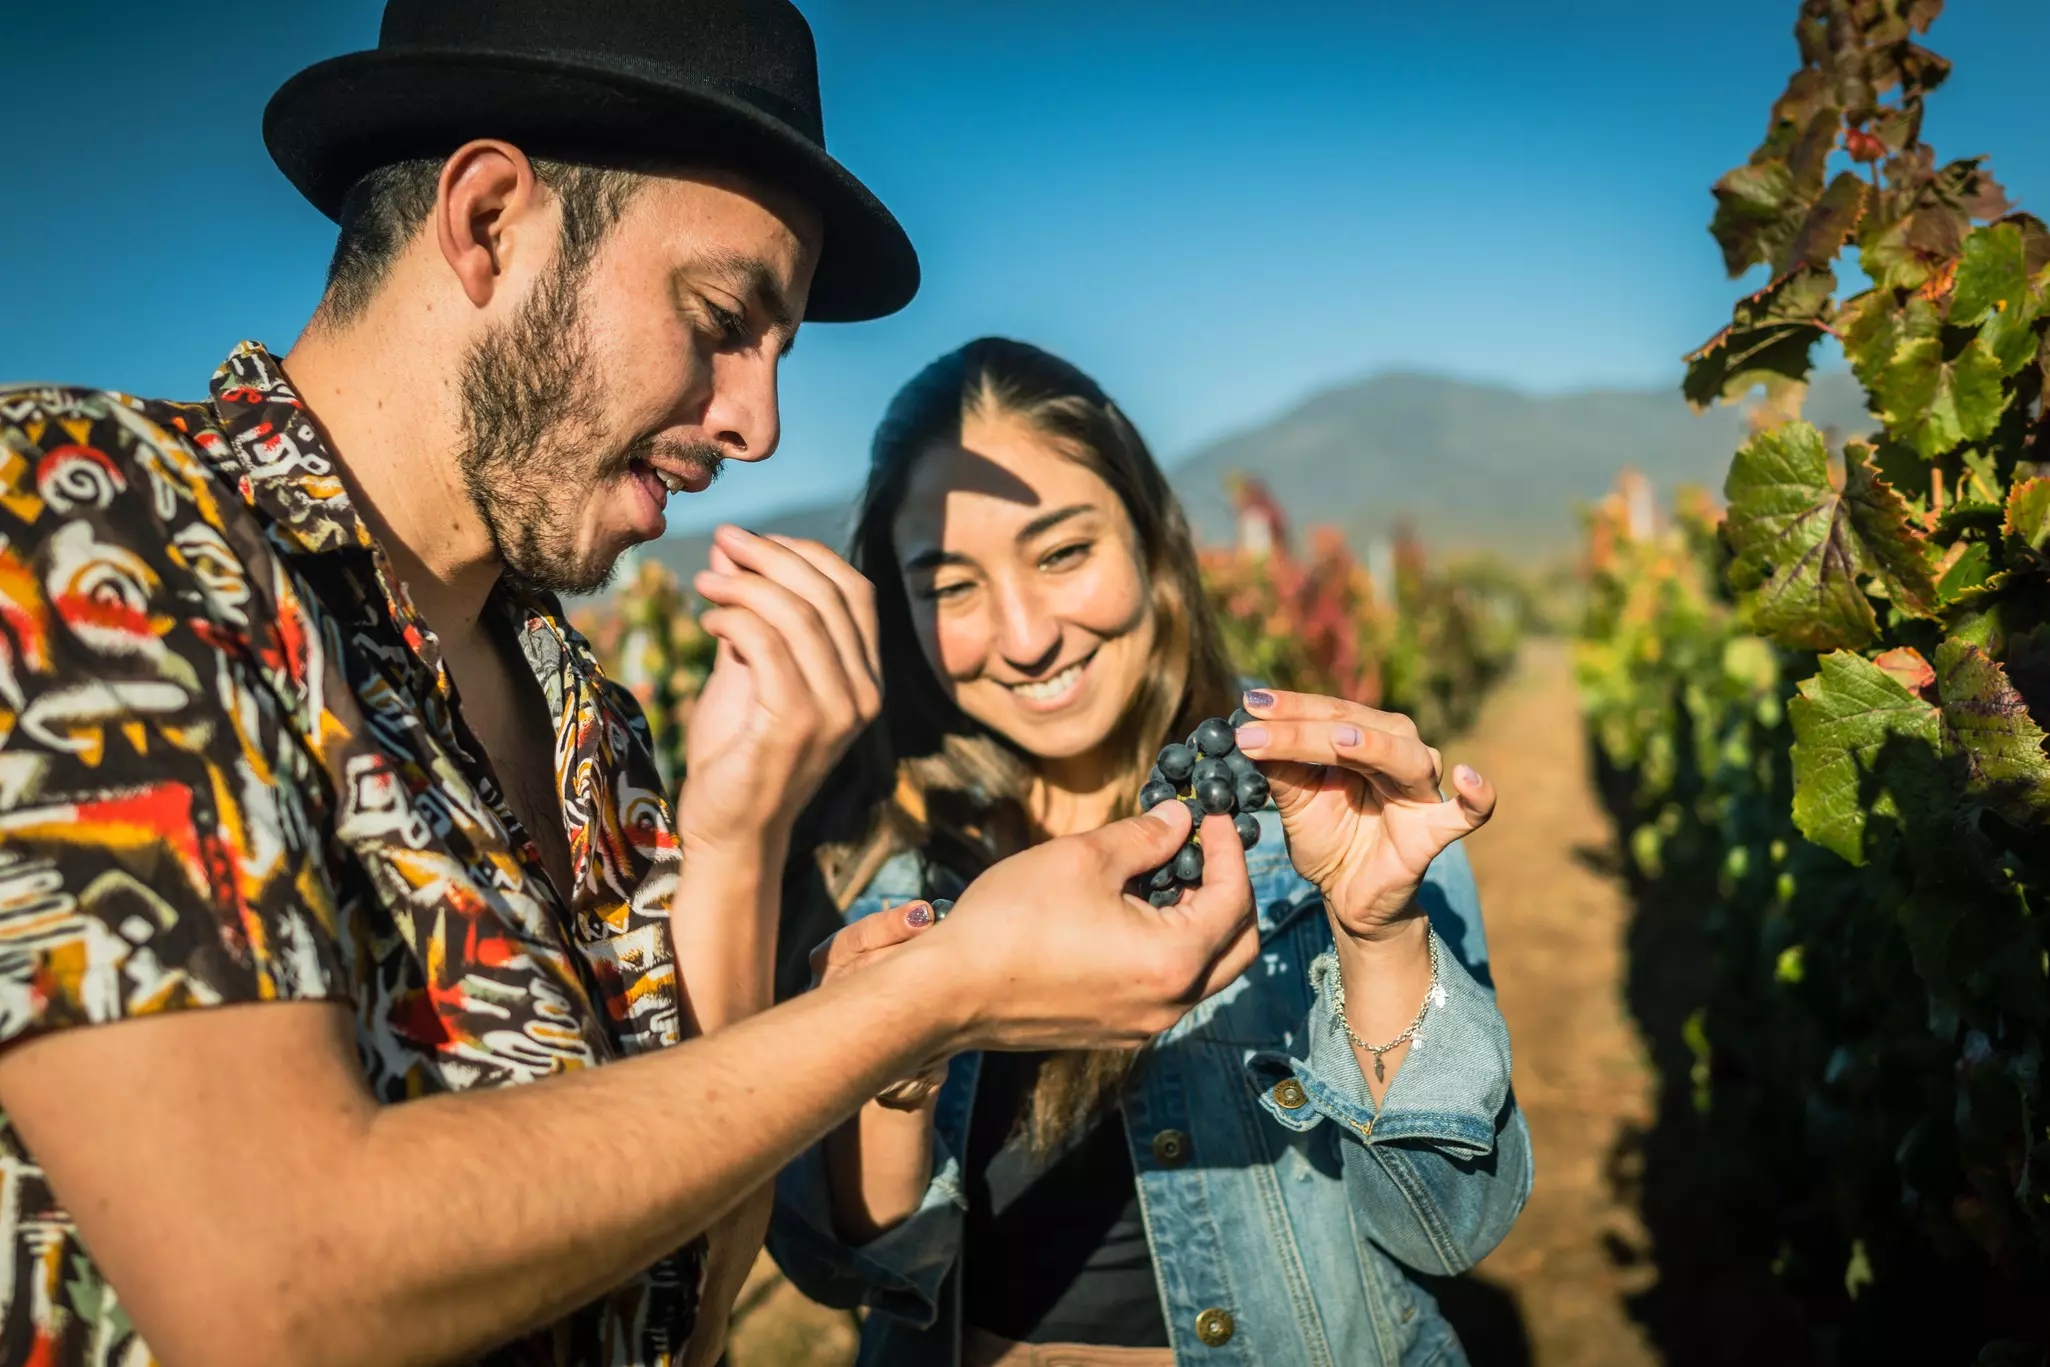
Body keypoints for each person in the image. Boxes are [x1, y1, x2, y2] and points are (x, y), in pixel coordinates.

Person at [0, 7, 1266, 1366]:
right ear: (486, 219)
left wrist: (734, 841)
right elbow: (274, 1293)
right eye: (724, 320)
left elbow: (683, 1304)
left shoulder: (584, 714)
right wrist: (933, 995)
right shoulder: (84, 519)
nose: (757, 422)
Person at [769, 339, 1532, 1367]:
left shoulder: (1332, 806)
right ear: (901, 614)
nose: (1026, 634)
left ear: (1150, 539)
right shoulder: (872, 859)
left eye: (1062, 552)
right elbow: (850, 1272)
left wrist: (1377, 932)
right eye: (950, 586)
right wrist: (894, 1060)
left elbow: (1449, 1223)